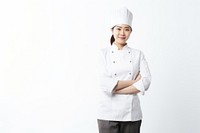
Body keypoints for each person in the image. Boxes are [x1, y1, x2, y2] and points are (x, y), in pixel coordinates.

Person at [97, 7, 151, 133]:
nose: (122, 33)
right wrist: (133, 82)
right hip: (107, 114)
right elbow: (104, 84)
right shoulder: (103, 54)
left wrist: (116, 90)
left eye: (126, 29)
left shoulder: (138, 54)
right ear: (112, 30)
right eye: (119, 28)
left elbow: (146, 81)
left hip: (131, 114)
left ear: (131, 32)